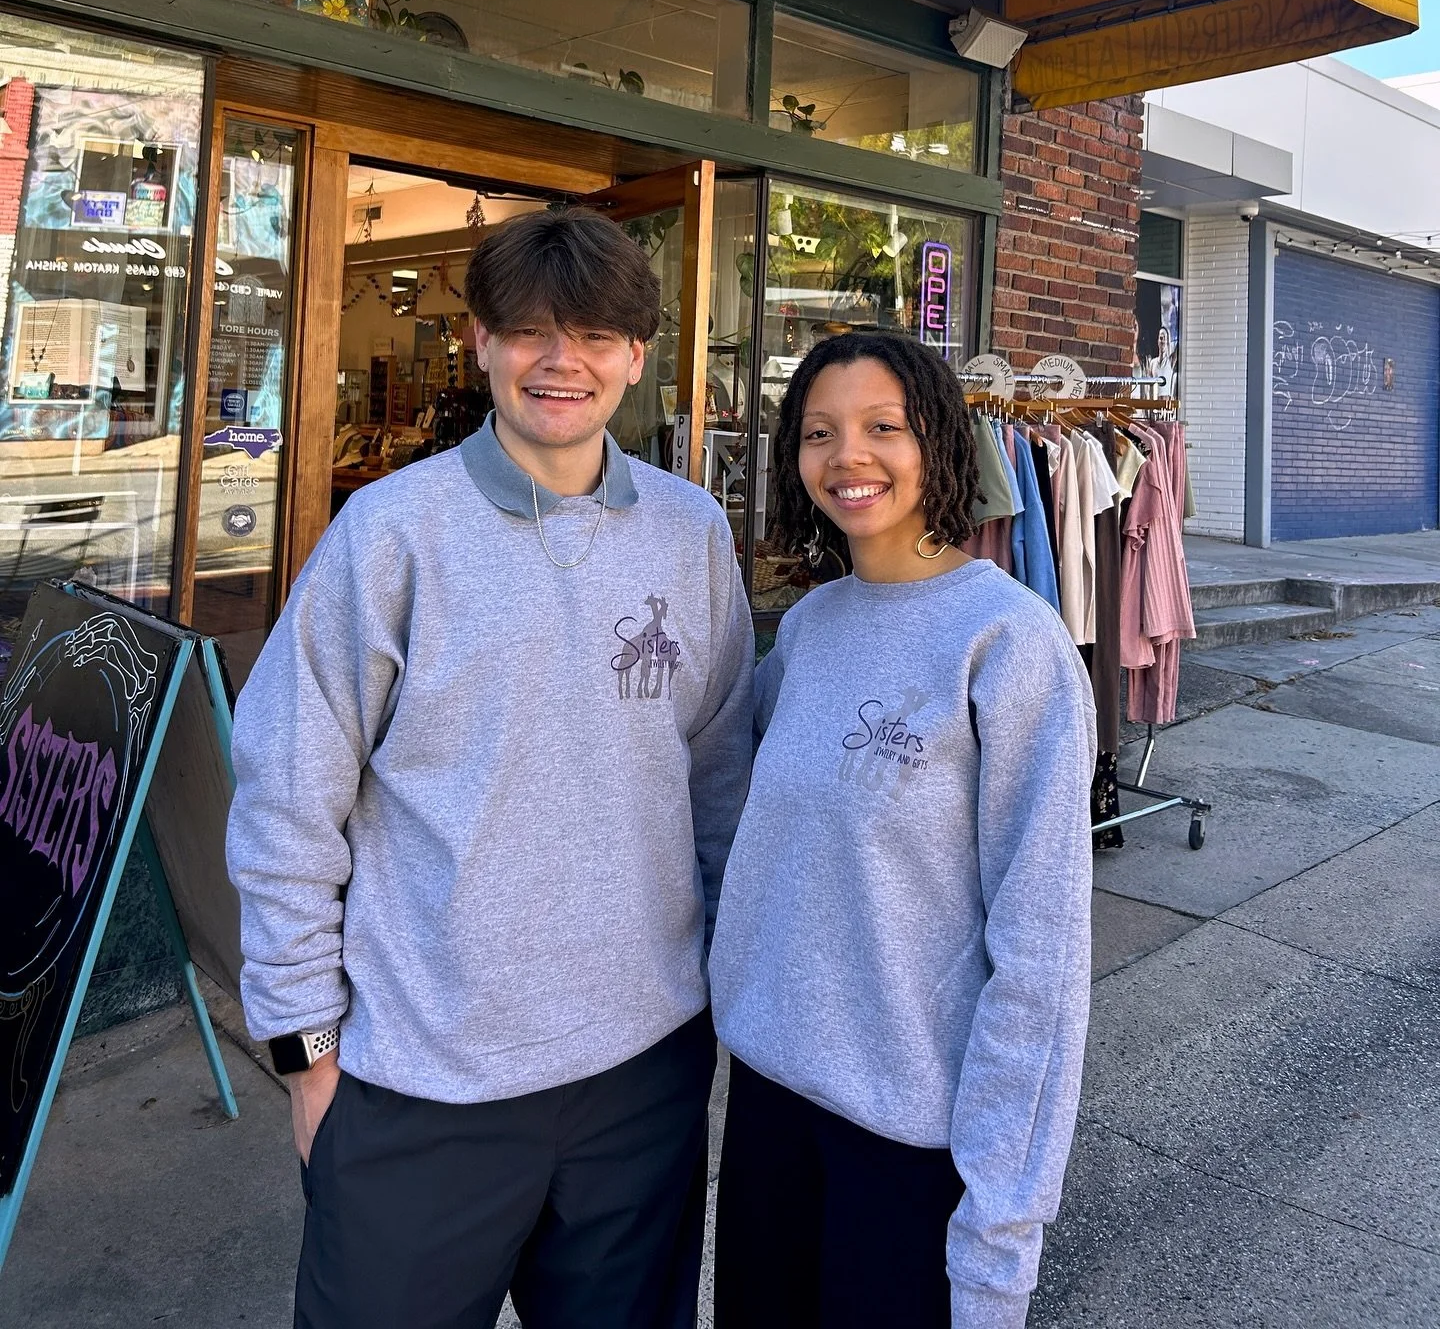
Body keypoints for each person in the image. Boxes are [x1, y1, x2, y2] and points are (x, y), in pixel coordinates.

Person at [227, 206, 754, 1329]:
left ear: (637, 357)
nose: (561, 361)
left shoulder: (692, 533)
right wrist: (304, 1051)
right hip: (420, 1081)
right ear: (480, 342)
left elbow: (718, 788)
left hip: (643, 1073)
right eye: (528, 331)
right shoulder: (389, 533)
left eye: (595, 335)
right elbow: (286, 798)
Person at [709, 330, 1096, 1328]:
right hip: (767, 1111)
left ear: (939, 440)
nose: (850, 458)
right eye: (821, 433)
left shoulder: (1010, 645)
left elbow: (1041, 963)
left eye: (885, 427)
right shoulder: (807, 627)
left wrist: (999, 1240)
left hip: (913, 1145)